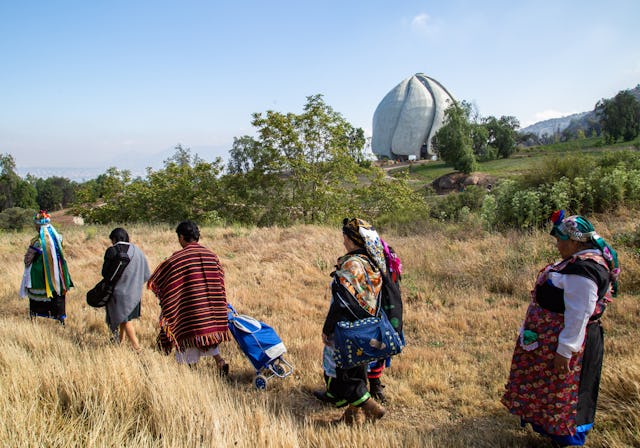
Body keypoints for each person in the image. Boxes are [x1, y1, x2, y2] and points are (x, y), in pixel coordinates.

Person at [502, 210, 620, 447]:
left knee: (564, 389)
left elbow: (579, 314)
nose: (557, 245)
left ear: (575, 241)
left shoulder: (583, 272)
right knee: (550, 386)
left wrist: (565, 350)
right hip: (550, 339)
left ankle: (565, 436)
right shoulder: (579, 262)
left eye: (560, 240)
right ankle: (549, 427)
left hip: (565, 342)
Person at [319, 217, 391, 424]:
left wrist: (328, 327)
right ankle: (352, 417)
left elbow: (342, 301)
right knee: (357, 369)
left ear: (351, 238)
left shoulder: (352, 264)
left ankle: (371, 407)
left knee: (339, 376)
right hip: (367, 327)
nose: (342, 240)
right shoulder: (371, 261)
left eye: (344, 236)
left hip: (347, 327)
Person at [148, 220, 230, 373]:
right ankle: (220, 362)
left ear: (181, 237)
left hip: (190, 310)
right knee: (207, 337)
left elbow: (161, 281)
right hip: (210, 311)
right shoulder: (211, 256)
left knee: (187, 338)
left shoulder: (178, 259)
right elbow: (219, 280)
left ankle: (190, 373)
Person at [19, 210, 73, 324]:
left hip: (40, 276)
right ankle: (60, 318)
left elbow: (27, 259)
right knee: (57, 294)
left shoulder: (37, 241)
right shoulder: (58, 238)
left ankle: (34, 317)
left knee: (37, 299)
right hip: (58, 273)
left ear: (38, 226)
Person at [102, 227, 150, 351]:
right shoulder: (138, 251)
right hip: (135, 294)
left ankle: (137, 348)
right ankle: (120, 342)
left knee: (124, 320)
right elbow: (146, 275)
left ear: (114, 239)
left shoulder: (112, 251)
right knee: (124, 320)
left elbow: (105, 273)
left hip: (118, 294)